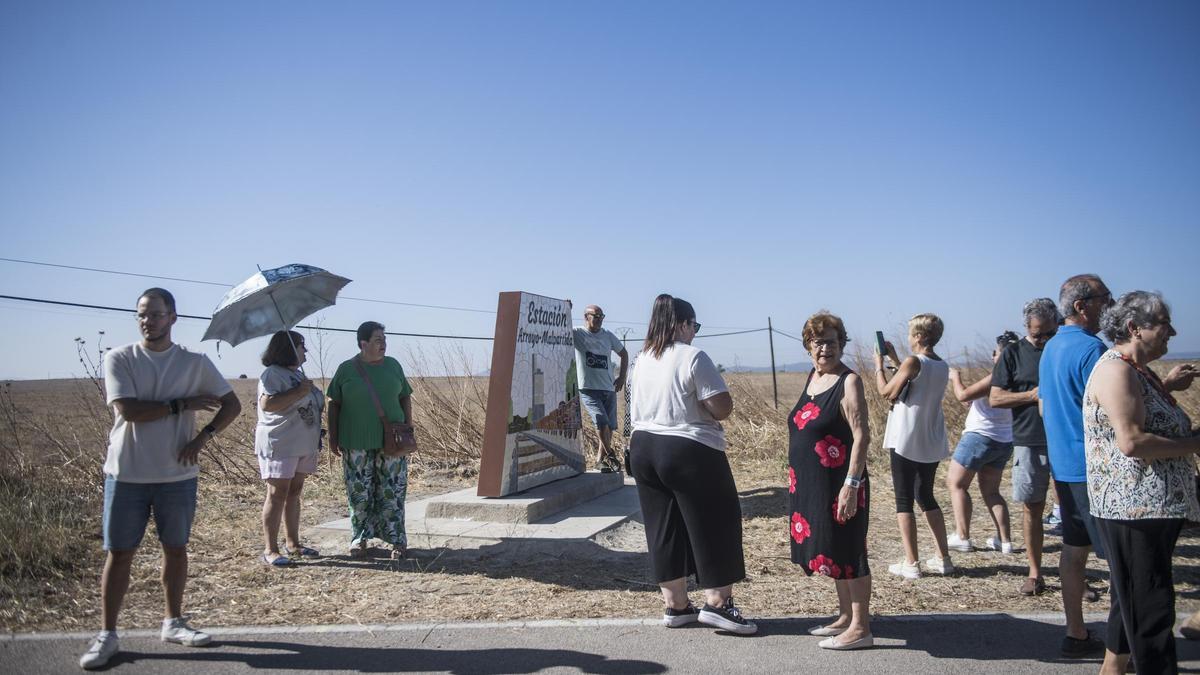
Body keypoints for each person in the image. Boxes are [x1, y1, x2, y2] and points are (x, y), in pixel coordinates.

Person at [80, 288, 242, 670]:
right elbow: (129, 411)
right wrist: (181, 405)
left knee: (176, 547)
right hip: (127, 472)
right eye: (142, 315)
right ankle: (108, 634)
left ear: (173, 318)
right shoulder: (120, 358)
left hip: (177, 474)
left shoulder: (194, 363)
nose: (147, 321)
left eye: (155, 314)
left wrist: (203, 438)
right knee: (119, 554)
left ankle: (173, 622)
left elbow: (232, 405)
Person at [1084, 291, 1200, 675]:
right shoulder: (1117, 370)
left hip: (1151, 508)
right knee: (1151, 609)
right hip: (1135, 508)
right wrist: (1194, 443)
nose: (1173, 331)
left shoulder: (1138, 370)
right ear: (1135, 328)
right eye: (1164, 322)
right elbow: (1132, 441)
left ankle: (1112, 670)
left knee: (1132, 600)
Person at [629, 294, 756, 635]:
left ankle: (677, 606)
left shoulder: (641, 359)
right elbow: (721, 406)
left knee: (663, 526)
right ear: (683, 324)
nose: (695, 333)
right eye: (694, 326)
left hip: (642, 447)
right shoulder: (692, 356)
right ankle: (719, 603)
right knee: (716, 521)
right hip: (688, 446)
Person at [1037, 274, 1113, 658]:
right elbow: (1109, 411)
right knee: (1120, 560)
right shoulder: (1093, 350)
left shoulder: (1051, 347)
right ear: (1081, 306)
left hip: (1064, 467)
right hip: (1095, 470)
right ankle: (1124, 646)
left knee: (1073, 550)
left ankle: (1076, 632)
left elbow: (1045, 404)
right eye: (1104, 298)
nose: (1109, 305)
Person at [790, 312, 874, 650]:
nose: (826, 348)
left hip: (841, 483)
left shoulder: (848, 381)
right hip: (813, 484)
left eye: (832, 341)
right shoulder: (813, 377)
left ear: (842, 344)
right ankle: (844, 617)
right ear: (809, 345)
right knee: (834, 549)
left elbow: (861, 436)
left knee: (851, 550)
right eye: (819, 341)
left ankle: (861, 628)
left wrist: (851, 484)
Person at [326, 321, 415, 560]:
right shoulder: (346, 369)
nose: (383, 343)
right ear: (363, 343)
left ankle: (397, 541)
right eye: (378, 339)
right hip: (355, 440)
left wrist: (409, 427)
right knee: (359, 493)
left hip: (393, 441)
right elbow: (334, 404)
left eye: (384, 339)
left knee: (393, 491)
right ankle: (359, 539)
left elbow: (405, 396)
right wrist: (333, 437)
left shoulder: (393, 366)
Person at [990, 297, 1059, 597]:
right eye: (1037, 334)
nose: (1043, 340)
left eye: (1049, 333)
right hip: (1029, 440)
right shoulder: (1014, 353)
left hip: (1067, 440)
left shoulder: (1062, 348)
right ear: (1026, 328)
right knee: (1032, 507)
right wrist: (1031, 396)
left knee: (1072, 510)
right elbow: (996, 398)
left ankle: (1077, 576)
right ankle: (1035, 572)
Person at [875, 314, 952, 579]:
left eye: (910, 334)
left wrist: (878, 365)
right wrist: (894, 359)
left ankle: (912, 562)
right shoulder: (941, 365)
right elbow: (914, 380)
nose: (908, 338)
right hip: (930, 437)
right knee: (926, 495)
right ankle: (943, 557)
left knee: (903, 500)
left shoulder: (913, 362)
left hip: (905, 437)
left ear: (918, 336)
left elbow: (887, 391)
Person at [945, 331, 1020, 555]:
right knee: (992, 491)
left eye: (996, 352)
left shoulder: (997, 376)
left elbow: (963, 396)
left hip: (979, 437)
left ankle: (962, 535)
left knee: (956, 484)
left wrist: (955, 377)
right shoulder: (1021, 378)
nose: (994, 356)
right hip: (1004, 440)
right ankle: (1005, 540)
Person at [255, 330, 324, 567]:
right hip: (281, 443)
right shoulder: (272, 374)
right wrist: (299, 391)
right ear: (289, 349)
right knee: (277, 494)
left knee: (294, 492)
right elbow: (269, 403)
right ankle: (270, 549)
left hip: (303, 443)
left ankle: (293, 543)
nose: (306, 351)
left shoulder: (296, 375)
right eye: (302, 346)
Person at [572, 304, 629, 472]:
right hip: (588, 388)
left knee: (609, 426)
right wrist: (565, 309)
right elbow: (560, 329)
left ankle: (600, 460)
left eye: (601, 317)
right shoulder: (577, 333)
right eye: (595, 316)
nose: (599, 320)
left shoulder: (608, 336)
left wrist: (622, 377)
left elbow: (624, 354)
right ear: (586, 317)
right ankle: (610, 454)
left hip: (608, 388)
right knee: (601, 420)